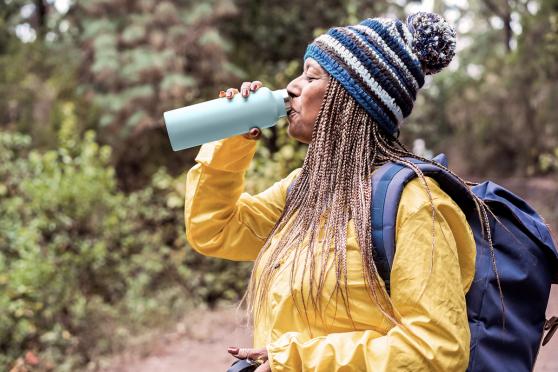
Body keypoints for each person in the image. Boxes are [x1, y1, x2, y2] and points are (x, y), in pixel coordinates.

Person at [185, 11, 485, 371]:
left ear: (352, 99)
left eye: (311, 76)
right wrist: (233, 135)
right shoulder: (305, 191)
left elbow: (438, 350)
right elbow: (214, 229)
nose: (293, 86)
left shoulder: (414, 205)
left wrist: (297, 361)